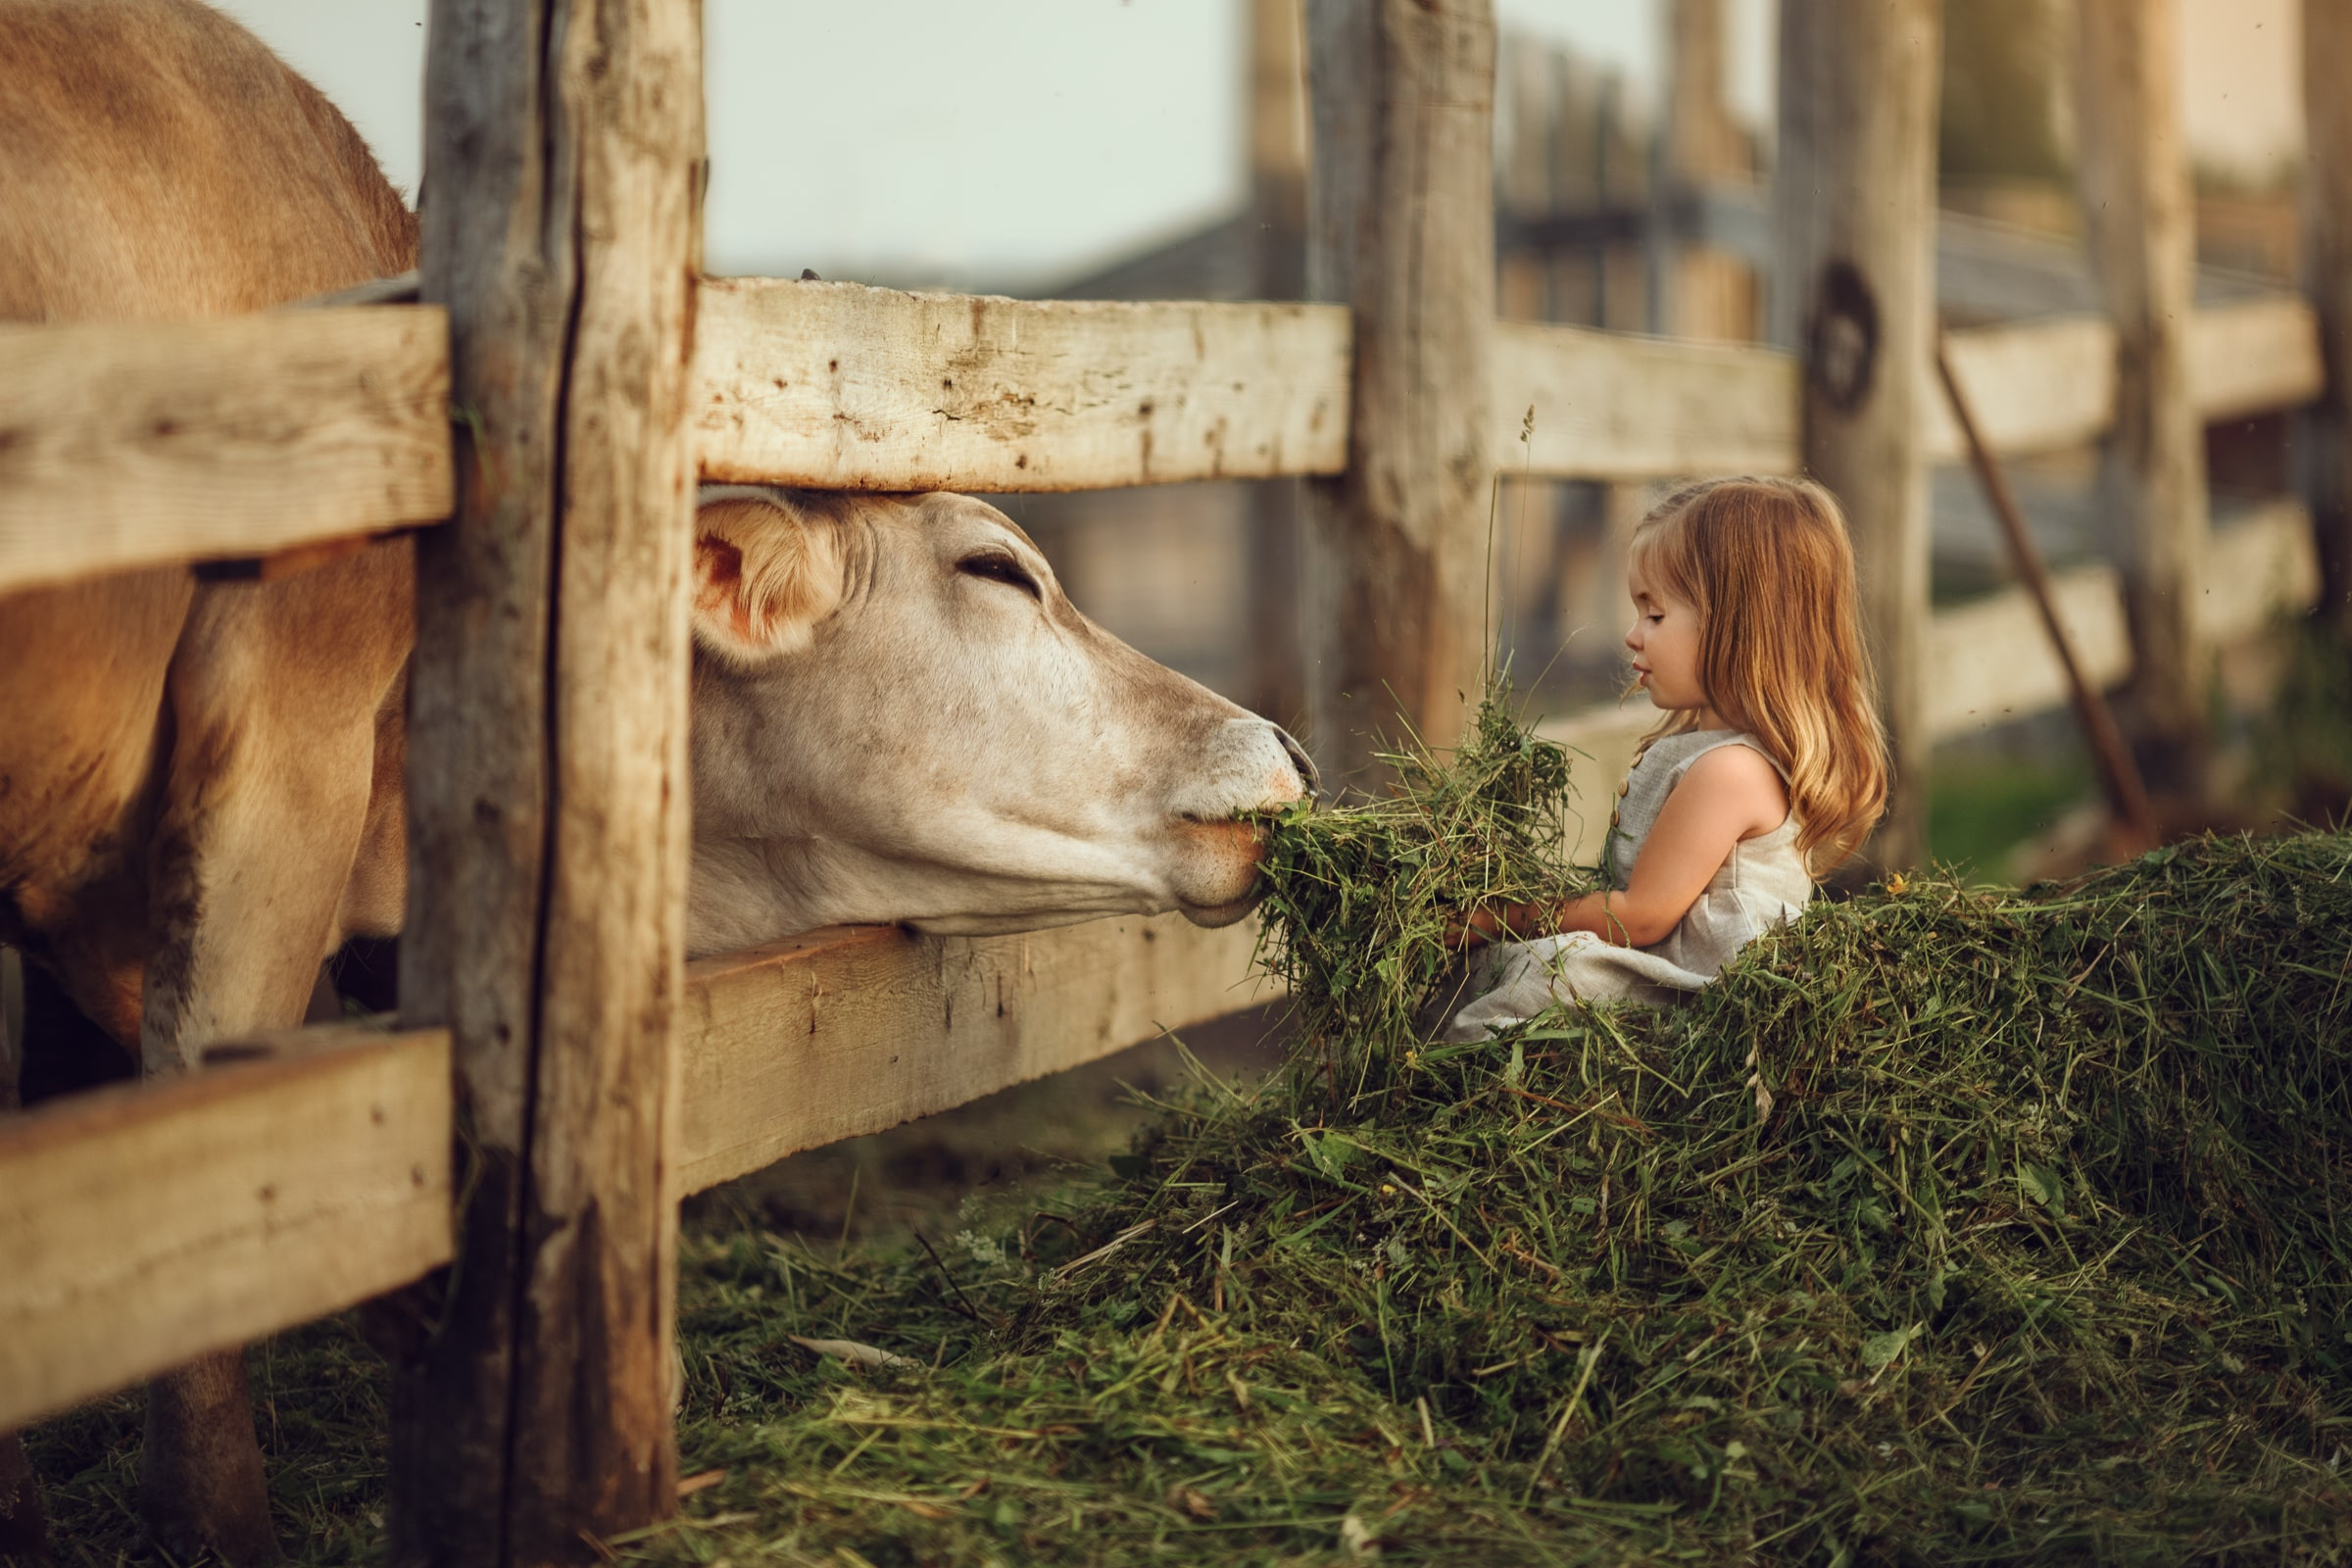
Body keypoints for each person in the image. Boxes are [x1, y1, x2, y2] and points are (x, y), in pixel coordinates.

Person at [1444, 476, 1889, 1041]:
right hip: (1666, 965)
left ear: (1739, 627)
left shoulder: (1731, 771)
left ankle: (1464, 1098)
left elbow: (1640, 915)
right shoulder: (1719, 754)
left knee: (1542, 977)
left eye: (1654, 616)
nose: (1632, 635)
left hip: (1702, 999)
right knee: (1531, 968)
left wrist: (1499, 917)